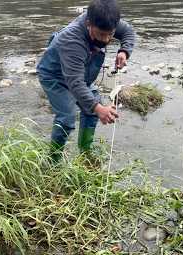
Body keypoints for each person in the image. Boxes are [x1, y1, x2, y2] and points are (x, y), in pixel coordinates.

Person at [37, 0, 136, 162]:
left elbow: (128, 32)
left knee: (91, 111)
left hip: (80, 73)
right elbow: (75, 83)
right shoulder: (71, 39)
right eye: (101, 35)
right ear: (88, 23)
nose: (106, 40)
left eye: (110, 34)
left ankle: (84, 153)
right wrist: (99, 108)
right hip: (55, 76)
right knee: (67, 118)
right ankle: (53, 162)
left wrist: (124, 51)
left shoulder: (106, 21)